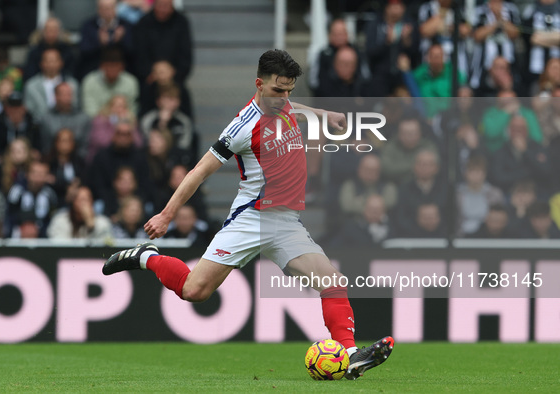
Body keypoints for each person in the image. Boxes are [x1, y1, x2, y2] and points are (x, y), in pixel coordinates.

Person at [101, 49, 394, 379]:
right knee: (194, 291)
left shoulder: (282, 105)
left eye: (289, 90)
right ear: (259, 84)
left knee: (332, 281)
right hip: (251, 219)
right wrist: (167, 215)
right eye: (278, 90)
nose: (284, 97)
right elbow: (199, 171)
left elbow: (293, 110)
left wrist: (322, 112)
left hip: (285, 222)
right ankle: (147, 257)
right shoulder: (242, 127)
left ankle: (351, 354)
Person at [77, 0, 134, 80]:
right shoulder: (88, 26)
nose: (107, 12)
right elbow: (83, 51)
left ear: (115, 9)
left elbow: (133, 52)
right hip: (94, 71)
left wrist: (121, 40)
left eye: (109, 8)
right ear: (98, 10)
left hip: (122, 72)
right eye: (104, 8)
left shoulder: (126, 26)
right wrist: (99, 43)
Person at [23, 48, 80, 122]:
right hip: (40, 125)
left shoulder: (72, 83)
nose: (51, 64)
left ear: (61, 63)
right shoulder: (31, 85)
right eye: (48, 61)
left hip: (69, 124)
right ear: (41, 64)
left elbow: (75, 106)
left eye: (54, 61)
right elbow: (29, 110)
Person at [82, 46, 139, 117]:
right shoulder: (90, 81)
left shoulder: (130, 82)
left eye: (115, 66)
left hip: (124, 123)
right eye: (109, 66)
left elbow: (132, 111)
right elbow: (90, 112)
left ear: (122, 67)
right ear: (102, 66)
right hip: (97, 124)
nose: (112, 70)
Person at [39, 82, 91, 159]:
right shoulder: (46, 118)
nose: (67, 98)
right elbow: (45, 146)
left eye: (69, 94)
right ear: (55, 96)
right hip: (52, 161)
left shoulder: (83, 118)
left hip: (78, 162)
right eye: (63, 94)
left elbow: (85, 146)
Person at [47, 185, 112, 239]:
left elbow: (104, 247)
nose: (84, 204)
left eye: (87, 200)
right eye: (81, 200)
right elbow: (58, 246)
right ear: (73, 203)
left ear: (92, 203)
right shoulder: (60, 220)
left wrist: (91, 226)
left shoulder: (103, 222)